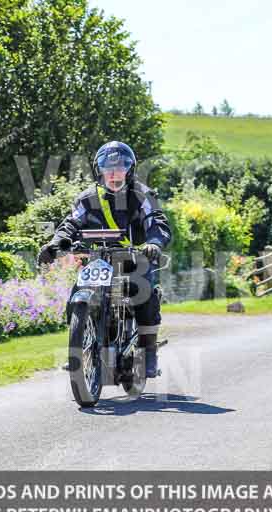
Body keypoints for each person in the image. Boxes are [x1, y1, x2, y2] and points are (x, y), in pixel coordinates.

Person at [37, 141, 171, 378]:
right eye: (108, 167)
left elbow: (156, 222)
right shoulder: (87, 198)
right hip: (99, 259)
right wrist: (55, 243)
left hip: (134, 258)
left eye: (120, 167)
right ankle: (79, 348)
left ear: (130, 170)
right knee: (78, 291)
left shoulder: (142, 195)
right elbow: (71, 223)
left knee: (144, 294)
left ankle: (148, 352)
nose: (114, 172)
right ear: (99, 170)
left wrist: (154, 243)